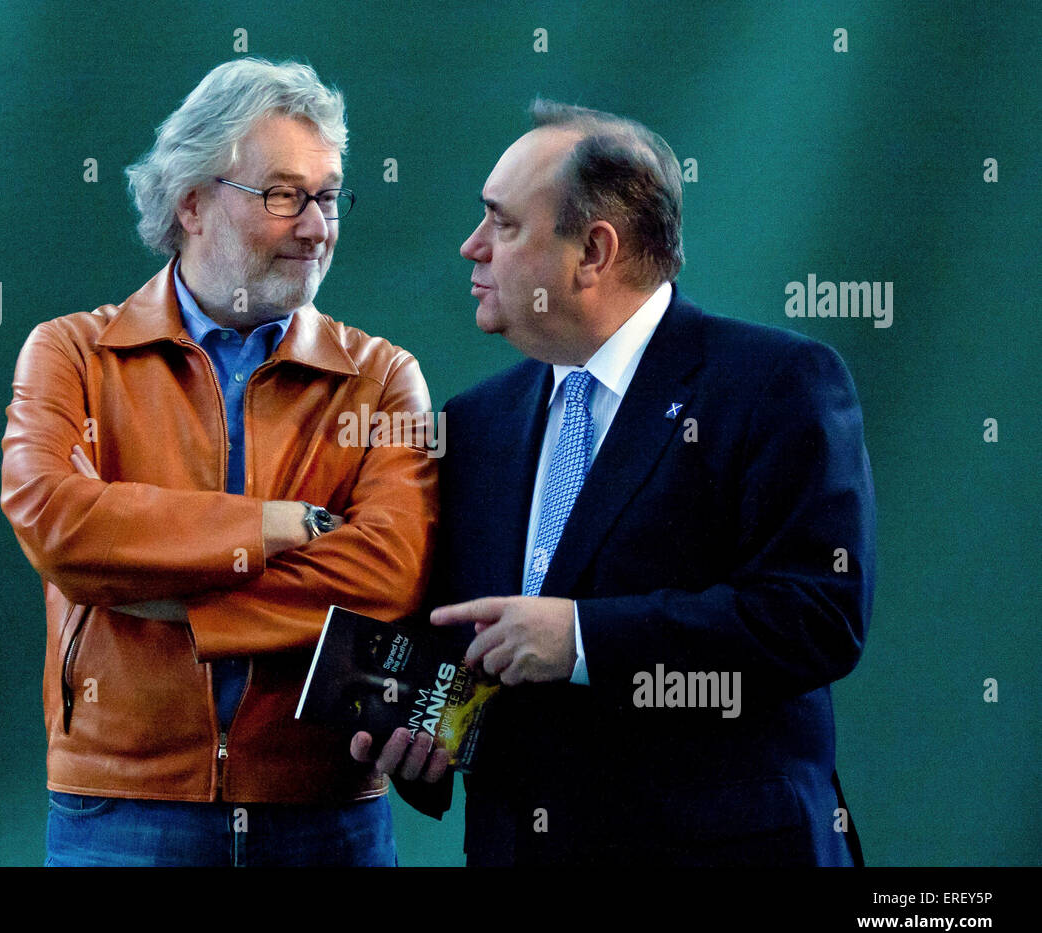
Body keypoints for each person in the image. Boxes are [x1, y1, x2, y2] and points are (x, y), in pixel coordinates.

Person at [354, 100, 875, 866]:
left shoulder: (774, 384)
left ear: (593, 252)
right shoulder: (473, 426)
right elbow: (471, 654)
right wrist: (427, 741)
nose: (471, 248)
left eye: (502, 225)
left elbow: (816, 616)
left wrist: (583, 639)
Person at [0, 57, 438, 866]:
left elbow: (388, 574)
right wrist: (279, 526)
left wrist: (178, 603)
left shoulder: (383, 376)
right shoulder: (69, 354)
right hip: (120, 807)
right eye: (282, 195)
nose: (316, 226)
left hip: (326, 807)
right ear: (191, 201)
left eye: (329, 196)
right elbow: (57, 526)